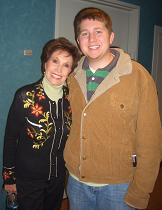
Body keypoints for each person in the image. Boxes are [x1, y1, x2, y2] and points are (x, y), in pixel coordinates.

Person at [64, 7, 162, 210]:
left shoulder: (138, 76)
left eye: (98, 31)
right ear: (78, 40)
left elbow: (150, 140)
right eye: (85, 33)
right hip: (76, 182)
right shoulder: (70, 76)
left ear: (111, 36)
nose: (92, 39)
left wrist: (141, 191)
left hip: (119, 187)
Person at [2, 37, 80, 210]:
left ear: (70, 71)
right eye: (55, 61)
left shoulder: (71, 100)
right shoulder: (25, 96)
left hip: (58, 179)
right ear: (45, 63)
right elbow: (10, 139)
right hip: (28, 180)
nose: (59, 69)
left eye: (66, 65)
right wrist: (9, 178)